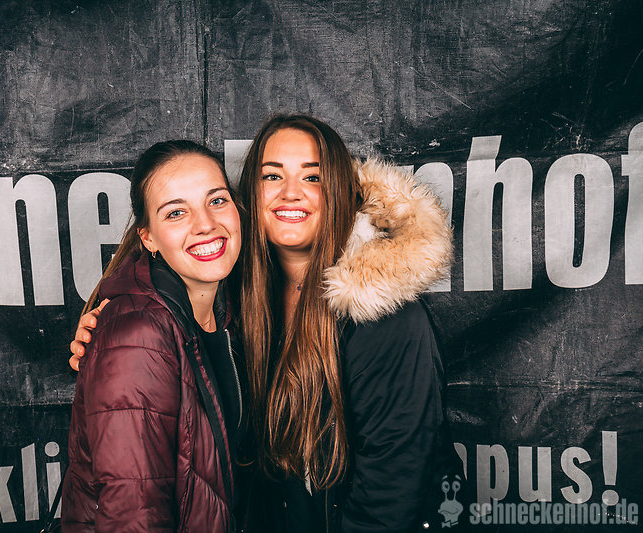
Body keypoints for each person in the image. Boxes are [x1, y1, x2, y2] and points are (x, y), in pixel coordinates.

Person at [70, 115, 465, 532]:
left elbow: (389, 501)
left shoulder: (387, 318)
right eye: (272, 176)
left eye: (312, 177)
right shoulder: (235, 298)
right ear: (251, 196)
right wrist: (116, 335)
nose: (290, 193)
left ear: (339, 193)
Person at [61, 140, 244, 532]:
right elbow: (134, 516)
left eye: (216, 200)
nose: (205, 224)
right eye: (176, 212)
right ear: (148, 238)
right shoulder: (138, 334)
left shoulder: (232, 311)